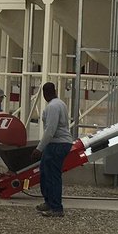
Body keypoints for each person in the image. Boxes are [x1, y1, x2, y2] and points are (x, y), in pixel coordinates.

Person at [36, 81, 73, 217]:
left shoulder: (52, 107)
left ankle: (56, 207)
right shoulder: (61, 103)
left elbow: (50, 130)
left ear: (46, 94)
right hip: (59, 143)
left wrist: (39, 148)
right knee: (46, 173)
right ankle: (49, 202)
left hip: (57, 144)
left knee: (52, 175)